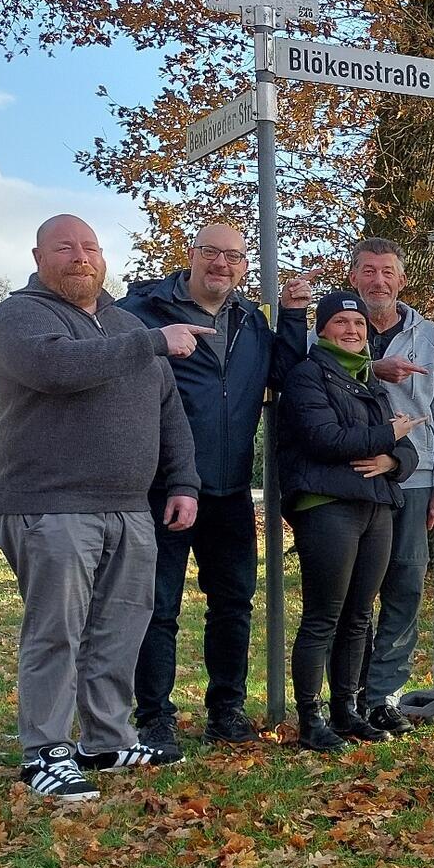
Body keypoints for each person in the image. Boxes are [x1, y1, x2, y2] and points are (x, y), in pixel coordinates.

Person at [0, 215, 204, 801]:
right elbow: (55, 370)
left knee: (119, 629)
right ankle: (45, 752)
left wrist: (183, 481)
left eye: (90, 247)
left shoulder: (124, 321)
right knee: (57, 631)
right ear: (37, 255)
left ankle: (104, 740)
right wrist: (154, 340)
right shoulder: (17, 317)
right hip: (48, 503)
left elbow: (168, 411)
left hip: (130, 506)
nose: (81, 257)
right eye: (65, 247)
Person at [118, 225, 313, 748]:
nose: (221, 264)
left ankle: (225, 712)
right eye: (211, 252)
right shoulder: (143, 309)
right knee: (157, 607)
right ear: (190, 255)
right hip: (159, 485)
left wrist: (293, 318)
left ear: (244, 266)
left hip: (227, 488)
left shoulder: (251, 320)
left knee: (233, 603)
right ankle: (154, 718)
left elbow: (286, 375)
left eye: (234, 256)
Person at [279, 290, 425, 751]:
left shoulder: (370, 383)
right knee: (324, 616)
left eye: (358, 324)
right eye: (340, 322)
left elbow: (408, 449)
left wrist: (390, 461)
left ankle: (346, 711)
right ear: (322, 329)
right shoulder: (306, 377)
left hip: (375, 505)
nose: (352, 331)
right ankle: (310, 719)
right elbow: (325, 439)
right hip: (326, 506)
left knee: (360, 616)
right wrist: (386, 436)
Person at [346, 238, 434, 736]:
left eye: (387, 271)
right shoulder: (333, 329)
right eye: (368, 270)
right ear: (354, 278)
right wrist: (373, 369)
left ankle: (383, 695)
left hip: (416, 481)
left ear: (402, 279)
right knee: (352, 590)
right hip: (350, 479)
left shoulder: (430, 337)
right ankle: (346, 694)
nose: (378, 280)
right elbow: (306, 381)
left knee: (405, 586)